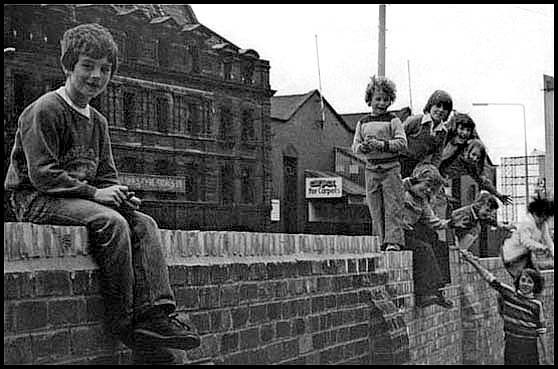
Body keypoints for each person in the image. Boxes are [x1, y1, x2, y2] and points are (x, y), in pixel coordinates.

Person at [4, 23, 200, 359]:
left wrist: (119, 195)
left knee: (143, 222)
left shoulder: (98, 121)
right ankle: (125, 324)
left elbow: (106, 175)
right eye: (87, 66)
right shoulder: (45, 109)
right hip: (35, 199)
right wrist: (98, 196)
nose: (96, 76)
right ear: (68, 66)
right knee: (112, 223)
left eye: (105, 69)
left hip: (76, 199)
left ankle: (155, 315)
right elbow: (42, 175)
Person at [459, 249, 547, 365]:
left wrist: (546, 356)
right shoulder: (509, 294)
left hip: (529, 348)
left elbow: (541, 331)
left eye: (530, 282)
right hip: (511, 345)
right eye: (523, 280)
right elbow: (489, 278)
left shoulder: (536, 305)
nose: (525, 284)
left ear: (535, 286)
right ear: (518, 281)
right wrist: (471, 261)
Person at [352, 75, 408, 252]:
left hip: (390, 169)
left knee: (393, 205)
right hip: (371, 169)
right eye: (378, 99)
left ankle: (394, 242)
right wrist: (365, 147)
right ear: (370, 100)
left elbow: (402, 143)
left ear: (390, 101)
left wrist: (382, 144)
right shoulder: (362, 122)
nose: (382, 103)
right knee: (374, 206)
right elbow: (355, 147)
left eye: (386, 99)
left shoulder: (394, 120)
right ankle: (378, 240)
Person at [401, 164, 456, 308]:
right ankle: (424, 293)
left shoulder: (422, 201)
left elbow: (433, 221)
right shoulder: (402, 190)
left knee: (440, 246)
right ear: (416, 180)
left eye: (432, 189)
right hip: (396, 234)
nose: (428, 190)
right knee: (423, 249)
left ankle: (438, 290)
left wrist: (451, 223)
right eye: (426, 185)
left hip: (409, 231)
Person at [440, 139, 512, 205]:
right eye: (473, 154)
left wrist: (499, 195)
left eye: (478, 158)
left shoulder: (471, 167)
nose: (474, 159)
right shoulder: (454, 152)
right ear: (466, 150)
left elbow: (484, 182)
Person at [399, 90, 453, 178]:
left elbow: (437, 154)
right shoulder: (415, 120)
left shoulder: (443, 132)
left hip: (417, 165)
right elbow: (397, 135)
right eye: (438, 106)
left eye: (445, 108)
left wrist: (433, 170)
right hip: (401, 159)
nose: (441, 110)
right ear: (430, 105)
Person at [501, 196, 554, 280]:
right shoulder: (527, 223)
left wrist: (552, 252)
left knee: (538, 280)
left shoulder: (543, 224)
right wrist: (541, 247)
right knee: (526, 280)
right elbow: (526, 241)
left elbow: (548, 240)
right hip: (512, 256)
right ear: (536, 214)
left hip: (525, 255)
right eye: (544, 217)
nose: (545, 220)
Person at [451, 191, 515, 250]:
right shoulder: (465, 214)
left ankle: (461, 250)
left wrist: (505, 226)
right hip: (450, 241)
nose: (488, 215)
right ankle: (460, 250)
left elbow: (491, 221)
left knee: (476, 229)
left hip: (458, 241)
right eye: (487, 210)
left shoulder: (479, 214)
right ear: (478, 205)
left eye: (491, 214)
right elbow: (449, 226)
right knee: (475, 229)